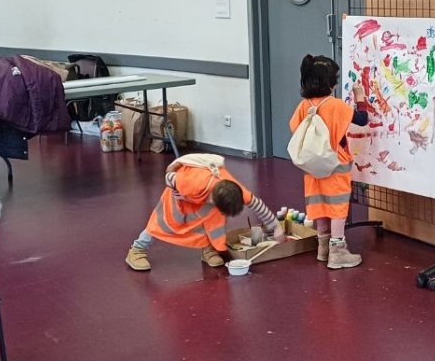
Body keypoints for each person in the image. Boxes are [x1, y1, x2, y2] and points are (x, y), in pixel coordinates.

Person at [126, 153, 284, 271]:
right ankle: (137, 249)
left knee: (214, 219)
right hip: (182, 194)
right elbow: (169, 176)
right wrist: (176, 191)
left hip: (203, 194)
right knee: (165, 221)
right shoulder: (190, 183)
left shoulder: (233, 189)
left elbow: (257, 204)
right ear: (214, 200)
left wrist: (276, 227)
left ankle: (208, 249)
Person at [289, 55, 368, 270]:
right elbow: (362, 119)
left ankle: (322, 248)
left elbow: (294, 128)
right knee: (337, 208)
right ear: (331, 84)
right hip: (335, 166)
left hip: (312, 169)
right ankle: (338, 252)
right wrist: (360, 97)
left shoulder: (304, 105)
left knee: (320, 206)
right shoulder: (335, 105)